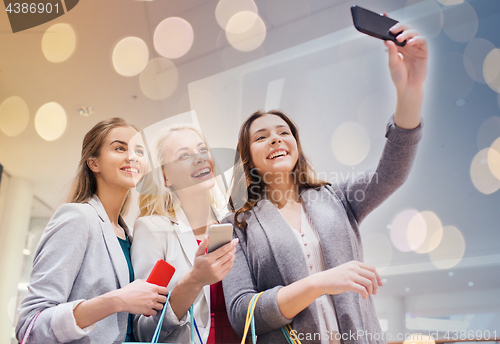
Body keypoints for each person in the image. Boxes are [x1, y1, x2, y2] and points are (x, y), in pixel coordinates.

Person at [222, 23, 427, 344]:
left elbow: (392, 173)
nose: (275, 139)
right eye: (261, 137)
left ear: (296, 145)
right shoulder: (237, 225)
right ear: (248, 157)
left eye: (283, 132)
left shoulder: (336, 197)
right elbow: (241, 314)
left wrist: (410, 91)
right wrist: (319, 282)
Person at [15, 118, 168, 344]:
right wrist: (116, 301)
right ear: (93, 163)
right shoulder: (77, 218)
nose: (132, 156)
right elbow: (31, 325)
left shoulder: (130, 237)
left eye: (139, 150)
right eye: (119, 148)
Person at [131, 124, 239, 343]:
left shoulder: (236, 223)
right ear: (165, 176)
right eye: (183, 156)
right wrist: (193, 281)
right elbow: (144, 330)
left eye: (202, 150)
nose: (199, 158)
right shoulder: (152, 229)